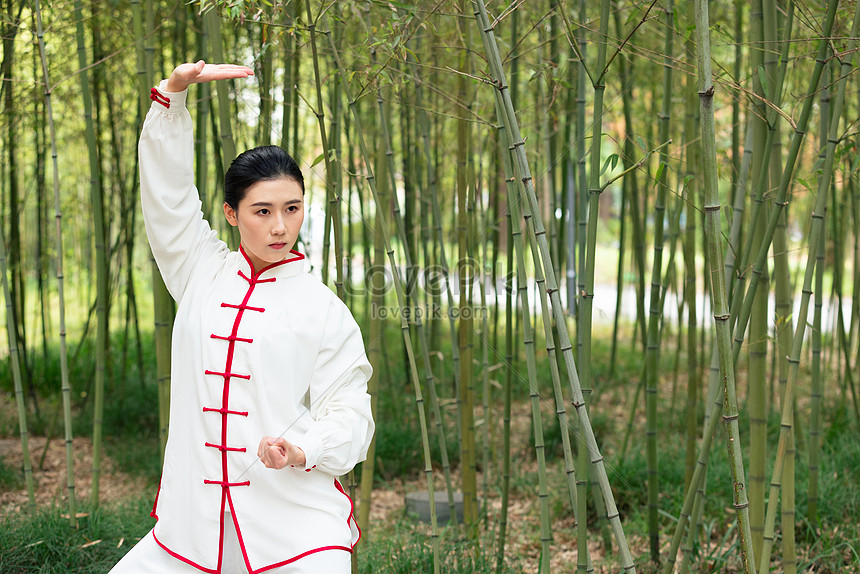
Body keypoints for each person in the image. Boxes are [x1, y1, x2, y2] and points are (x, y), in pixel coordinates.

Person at [109, 61, 374, 574]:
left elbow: (350, 413)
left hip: (293, 525)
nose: (281, 226)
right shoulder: (199, 270)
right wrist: (172, 97)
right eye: (263, 211)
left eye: (293, 208)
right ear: (231, 213)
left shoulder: (323, 309)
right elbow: (168, 201)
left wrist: (302, 448)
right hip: (192, 525)